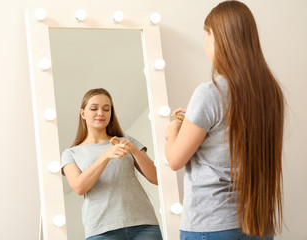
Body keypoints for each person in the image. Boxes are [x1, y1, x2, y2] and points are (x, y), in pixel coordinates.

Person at [165, 1, 284, 239]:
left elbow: (175, 160)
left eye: (205, 36)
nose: (205, 44)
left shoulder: (211, 93)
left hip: (211, 226)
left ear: (217, 38)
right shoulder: (271, 92)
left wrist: (173, 129)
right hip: (259, 226)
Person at [61, 88, 162, 240]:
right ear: (83, 113)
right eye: (94, 108)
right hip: (102, 230)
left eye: (106, 109)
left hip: (144, 224)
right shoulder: (71, 153)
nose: (101, 113)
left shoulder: (127, 141)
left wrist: (133, 150)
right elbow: (79, 187)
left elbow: (156, 178)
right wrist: (105, 155)